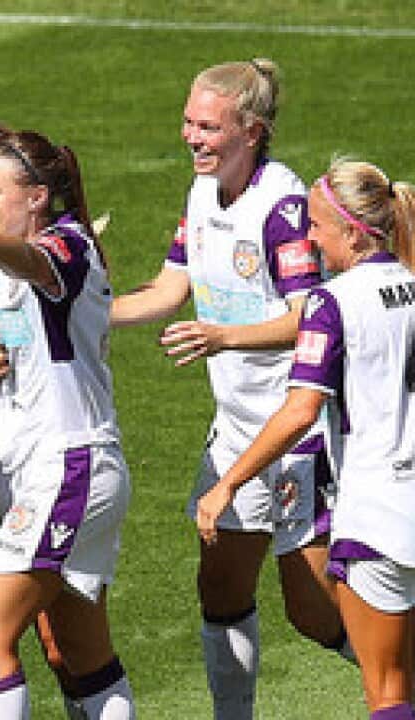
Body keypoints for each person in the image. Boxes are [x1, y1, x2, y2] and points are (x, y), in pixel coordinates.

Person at [108, 58, 353, 719]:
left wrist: (224, 337)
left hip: (296, 428)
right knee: (219, 587)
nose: (191, 137)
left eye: (208, 127)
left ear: (251, 129)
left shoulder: (283, 207)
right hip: (238, 424)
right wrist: (83, 314)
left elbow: (312, 317)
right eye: (188, 122)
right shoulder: (202, 190)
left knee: (312, 611)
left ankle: (397, 678)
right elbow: (167, 289)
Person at [0, 127, 134, 719]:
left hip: (68, 465)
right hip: (70, 468)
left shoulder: (66, 245)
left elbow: (38, 264)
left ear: (36, 196)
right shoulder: (4, 266)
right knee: (84, 658)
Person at [196, 158, 415, 719]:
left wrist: (229, 484)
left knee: (389, 691)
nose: (309, 238)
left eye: (317, 226)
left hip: (380, 513)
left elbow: (299, 412)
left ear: (351, 229)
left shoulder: (331, 302)